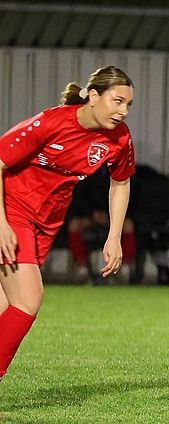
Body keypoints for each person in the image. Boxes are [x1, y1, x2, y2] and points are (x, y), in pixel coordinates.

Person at [0, 66, 136, 382]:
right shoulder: (52, 123)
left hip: (46, 222)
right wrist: (1, 222)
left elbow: (121, 182)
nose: (123, 111)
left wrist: (114, 235)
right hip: (12, 210)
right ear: (93, 96)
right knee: (28, 299)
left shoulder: (119, 138)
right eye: (117, 101)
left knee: (7, 306)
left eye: (128, 104)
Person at [65, 165, 137, 284]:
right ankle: (82, 268)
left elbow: (127, 194)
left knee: (128, 225)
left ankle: (124, 268)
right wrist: (92, 213)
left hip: (112, 216)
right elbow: (78, 195)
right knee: (74, 225)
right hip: (89, 215)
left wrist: (109, 216)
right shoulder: (86, 167)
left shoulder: (121, 165)